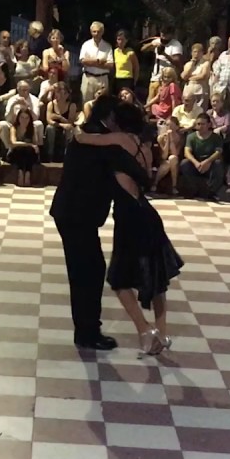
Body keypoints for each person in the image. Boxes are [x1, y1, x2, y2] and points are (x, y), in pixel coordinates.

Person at [75, 101, 183, 356]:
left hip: (129, 217)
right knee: (157, 279)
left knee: (119, 280)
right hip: (147, 213)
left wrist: (81, 131)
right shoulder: (143, 146)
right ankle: (162, 332)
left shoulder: (121, 139)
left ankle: (145, 330)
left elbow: (83, 139)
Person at [49, 92, 120, 351]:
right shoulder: (96, 139)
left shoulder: (90, 134)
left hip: (74, 213)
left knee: (89, 270)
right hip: (76, 214)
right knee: (86, 273)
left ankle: (88, 328)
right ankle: (88, 332)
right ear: (110, 117)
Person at [179, 113, 225, 200]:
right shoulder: (191, 137)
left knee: (218, 164)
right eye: (198, 124)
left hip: (209, 164)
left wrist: (207, 161)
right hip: (196, 164)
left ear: (209, 124)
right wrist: (196, 163)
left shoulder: (216, 137)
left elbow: (218, 152)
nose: (200, 126)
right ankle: (191, 190)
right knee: (184, 163)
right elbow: (187, 152)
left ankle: (212, 192)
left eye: (203, 124)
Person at [141, 25, 184, 101]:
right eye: (162, 33)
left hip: (167, 79)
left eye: (166, 34)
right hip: (155, 77)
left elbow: (177, 62)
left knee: (163, 102)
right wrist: (152, 44)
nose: (163, 36)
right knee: (151, 101)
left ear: (171, 34)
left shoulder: (176, 45)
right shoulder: (158, 41)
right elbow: (143, 49)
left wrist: (164, 54)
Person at [78, 21, 112, 105]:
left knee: (102, 105)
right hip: (88, 78)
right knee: (86, 104)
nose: (96, 33)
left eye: (99, 31)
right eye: (94, 31)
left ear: (102, 32)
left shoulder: (107, 46)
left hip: (102, 79)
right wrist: (99, 61)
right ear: (91, 32)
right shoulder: (86, 45)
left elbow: (110, 65)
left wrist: (90, 61)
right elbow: (82, 61)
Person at [112, 29, 140, 98]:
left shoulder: (130, 52)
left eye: (123, 40)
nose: (120, 42)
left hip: (127, 79)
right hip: (117, 79)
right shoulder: (115, 52)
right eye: (119, 39)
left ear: (126, 40)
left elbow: (136, 67)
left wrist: (134, 81)